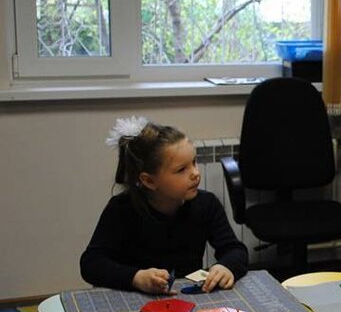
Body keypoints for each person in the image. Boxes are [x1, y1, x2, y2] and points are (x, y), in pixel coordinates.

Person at [80, 117, 248, 295]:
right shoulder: (122, 209)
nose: (195, 173)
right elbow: (92, 263)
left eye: (194, 162)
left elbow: (234, 249)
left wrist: (226, 267)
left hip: (187, 298)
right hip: (133, 300)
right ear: (149, 181)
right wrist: (136, 277)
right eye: (181, 169)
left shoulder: (207, 204)